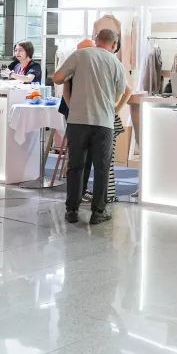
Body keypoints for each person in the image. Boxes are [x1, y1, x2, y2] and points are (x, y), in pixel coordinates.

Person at [53, 29, 126, 225]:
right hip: (104, 122)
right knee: (101, 168)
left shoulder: (79, 55)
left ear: (96, 39)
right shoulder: (116, 63)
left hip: (78, 120)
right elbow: (119, 93)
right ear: (114, 44)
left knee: (76, 166)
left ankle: (72, 210)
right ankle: (98, 212)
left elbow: (57, 78)